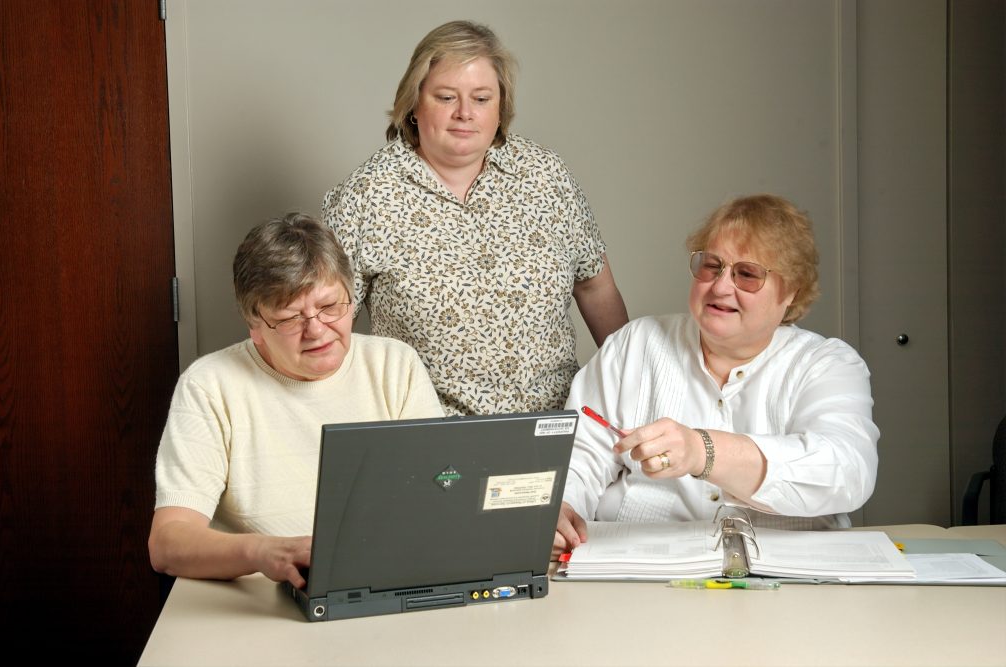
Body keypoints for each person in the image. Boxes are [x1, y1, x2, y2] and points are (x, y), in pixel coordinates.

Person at [322, 20, 628, 416]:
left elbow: (595, 287)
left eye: (482, 99)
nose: (465, 113)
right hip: (430, 432)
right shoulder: (364, 197)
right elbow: (326, 325)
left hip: (557, 425)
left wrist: (631, 387)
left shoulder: (547, 175)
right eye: (446, 97)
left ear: (501, 106)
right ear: (414, 103)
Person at [553, 194, 879, 557]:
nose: (721, 286)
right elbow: (579, 455)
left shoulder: (826, 364)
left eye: (747, 274)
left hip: (786, 579)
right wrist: (561, 508)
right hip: (643, 569)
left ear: (791, 292)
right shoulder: (636, 344)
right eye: (712, 266)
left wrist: (704, 451)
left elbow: (847, 471)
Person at [148, 213, 443, 588]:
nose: (317, 330)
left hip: (385, 582)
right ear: (255, 326)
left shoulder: (394, 365)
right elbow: (167, 543)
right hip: (262, 595)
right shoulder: (209, 385)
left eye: (331, 306)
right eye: (290, 318)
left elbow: (439, 498)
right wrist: (262, 553)